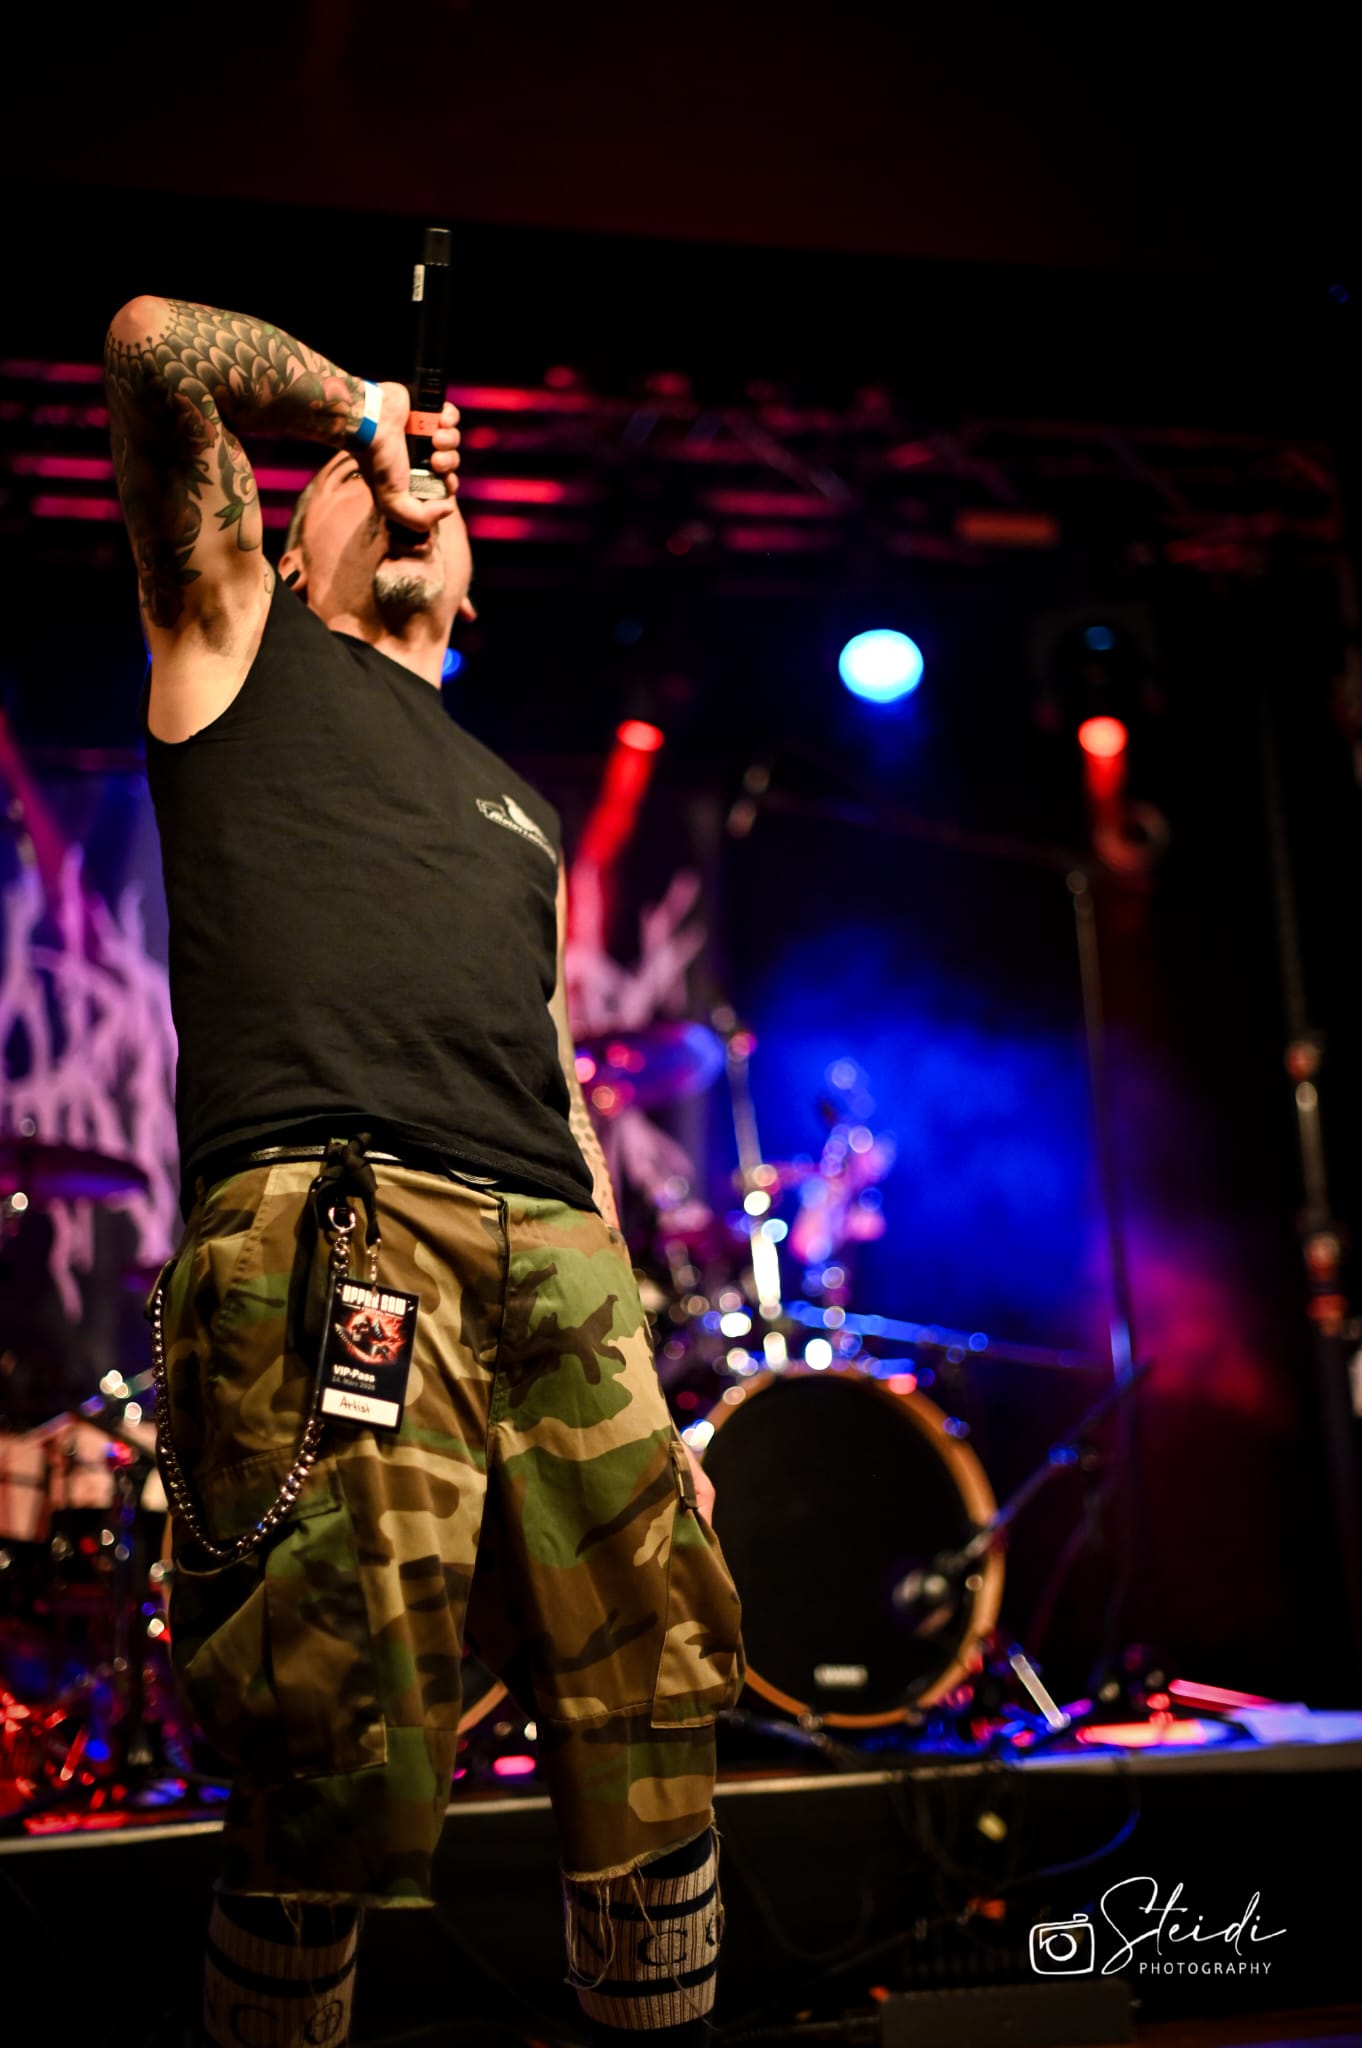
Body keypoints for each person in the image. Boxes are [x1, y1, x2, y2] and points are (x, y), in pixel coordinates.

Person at [103, 291, 745, 2048]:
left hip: (557, 1263)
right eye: (343, 486)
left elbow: (553, 1086)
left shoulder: (520, 811)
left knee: (654, 1715)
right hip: (340, 1237)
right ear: (283, 539)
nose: (405, 498)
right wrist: (360, 411)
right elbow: (155, 345)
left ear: (469, 594)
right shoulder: (234, 642)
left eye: (438, 503)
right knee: (327, 1734)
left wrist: (643, 1385)